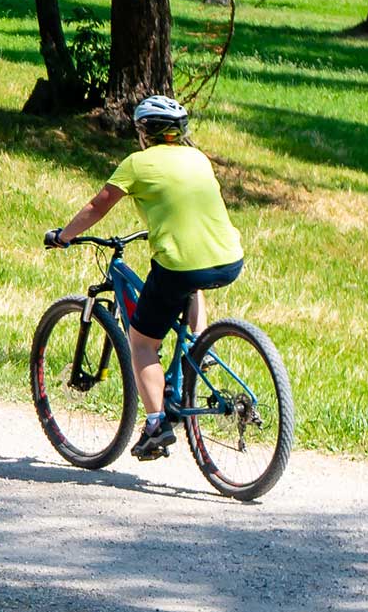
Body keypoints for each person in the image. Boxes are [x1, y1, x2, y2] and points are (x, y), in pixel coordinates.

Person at [45, 93, 243, 461]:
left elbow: (98, 205)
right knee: (192, 282)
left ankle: (155, 426)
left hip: (181, 263)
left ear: (143, 132)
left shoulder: (137, 163)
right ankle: (200, 348)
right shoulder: (198, 158)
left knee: (141, 342)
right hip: (229, 258)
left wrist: (64, 236)